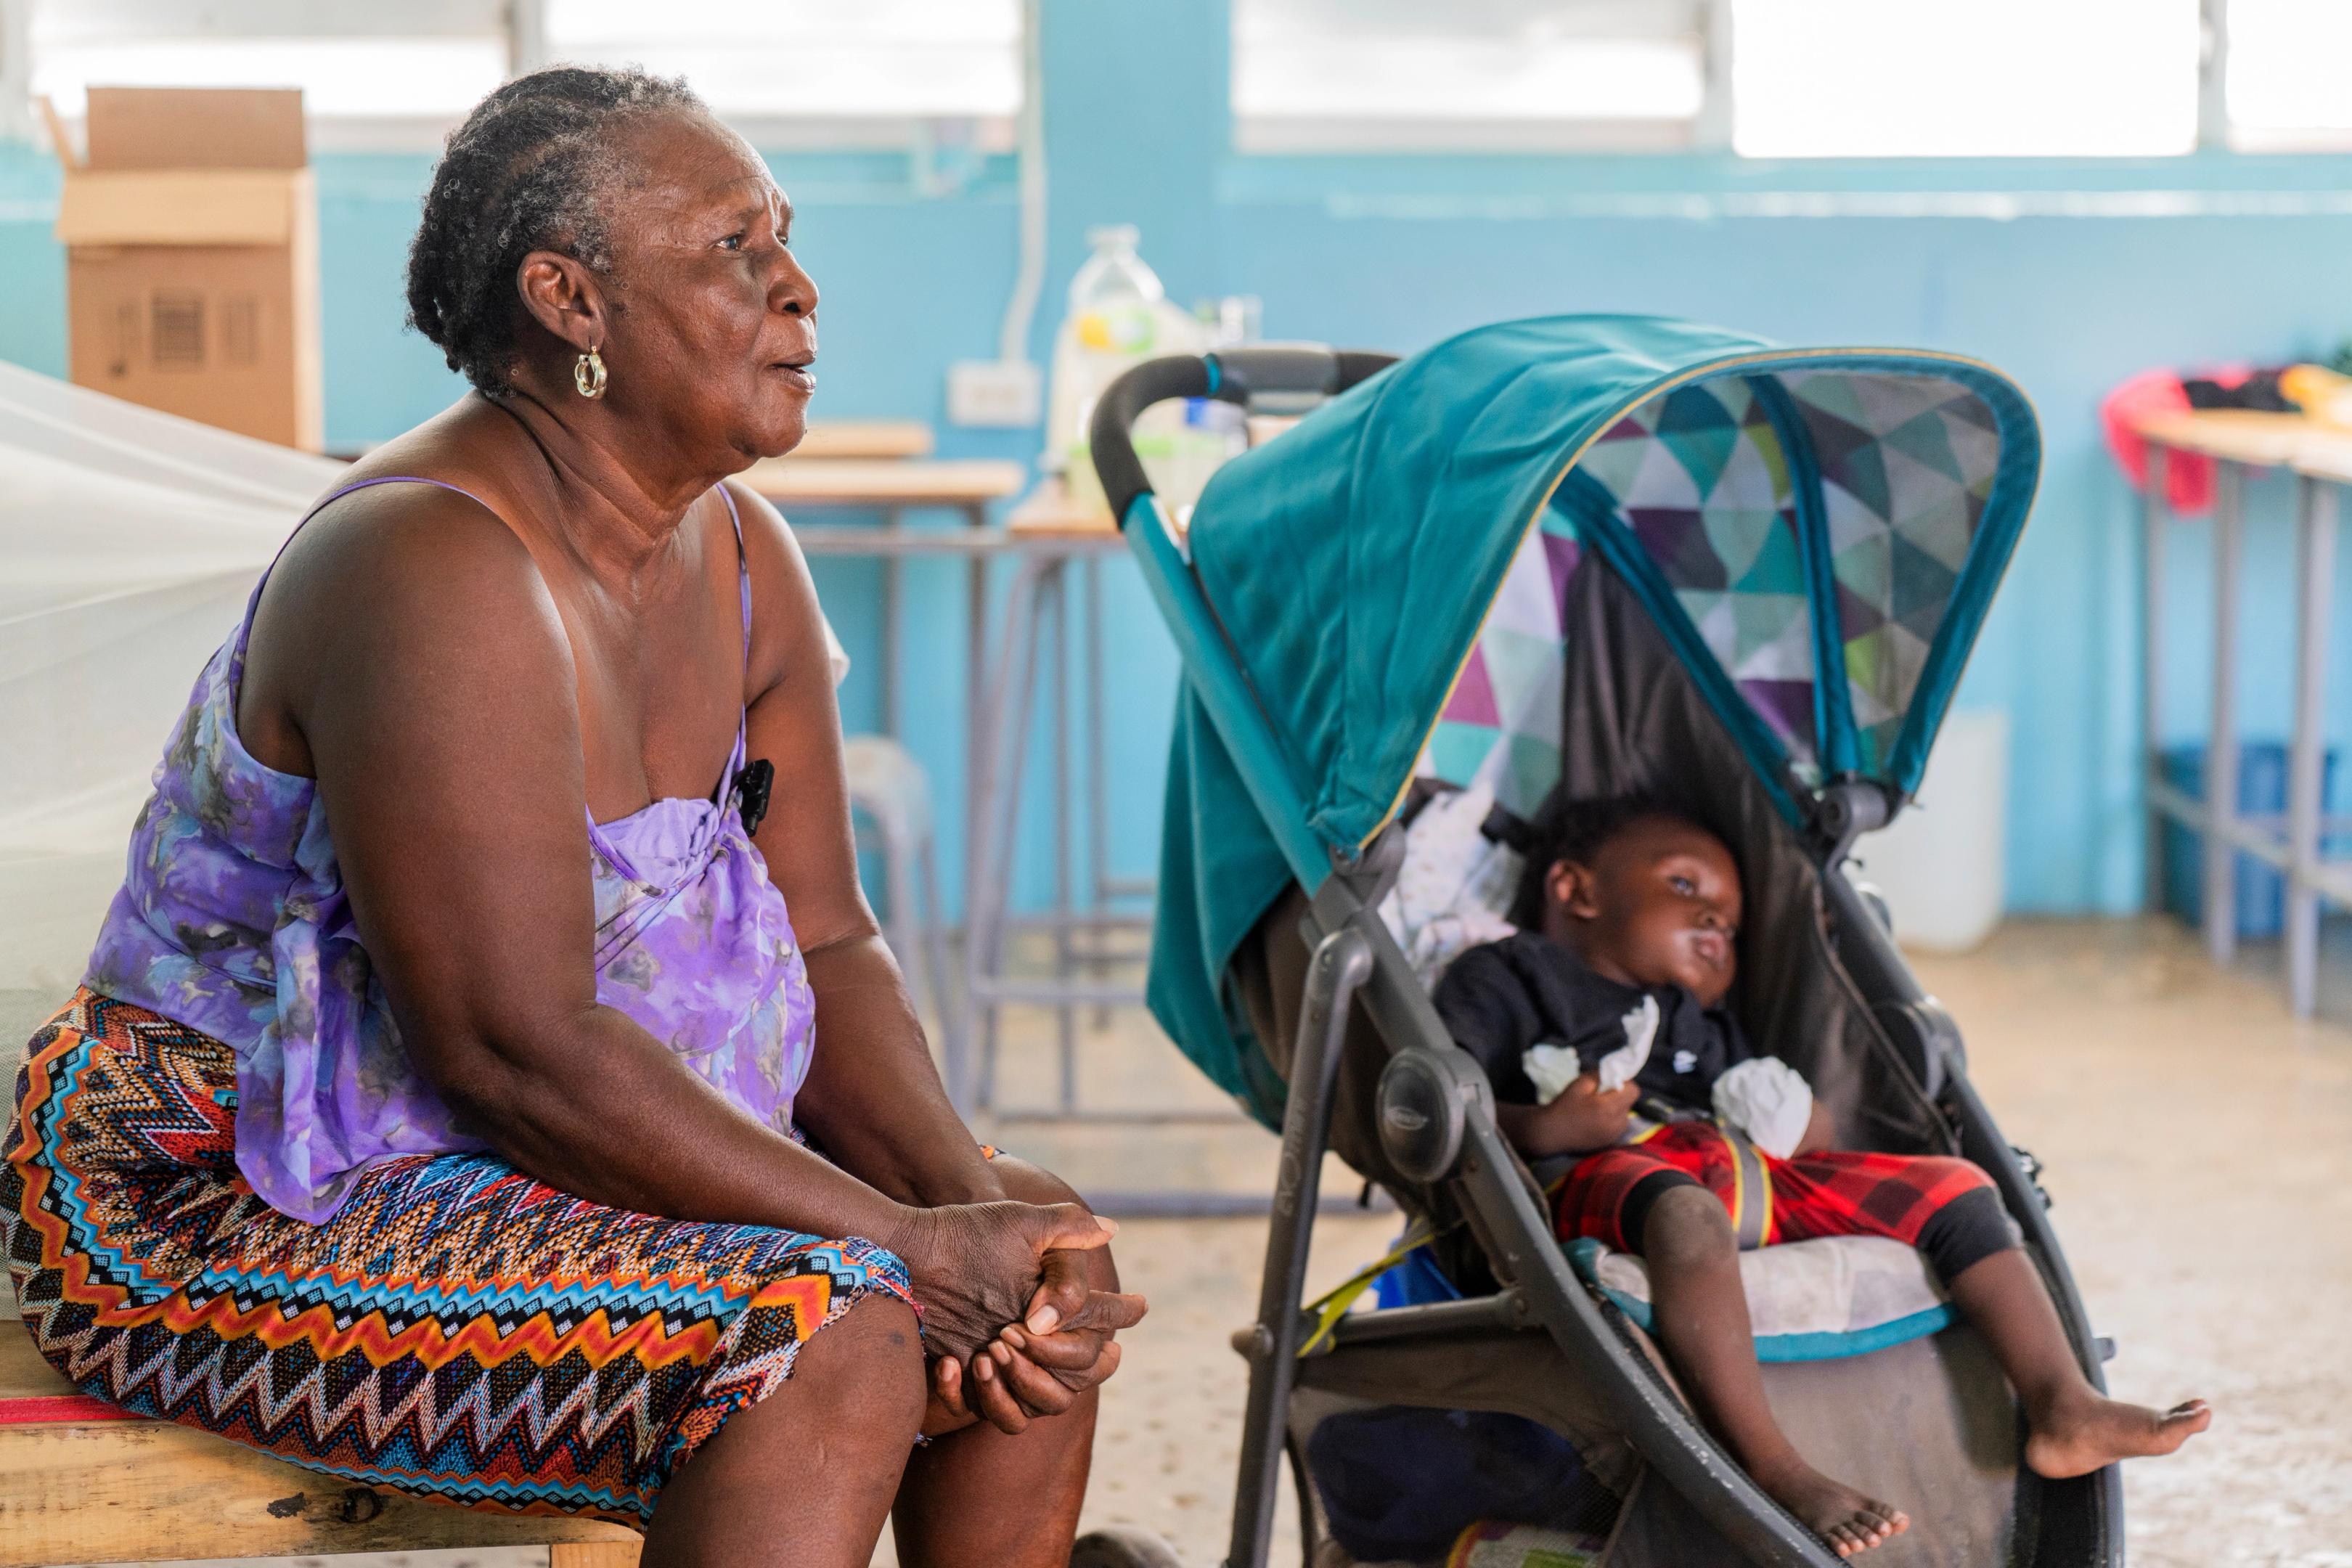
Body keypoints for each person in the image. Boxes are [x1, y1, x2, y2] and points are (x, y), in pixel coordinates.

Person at [0, 68, 1143, 1568]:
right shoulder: (427, 567)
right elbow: (512, 1046)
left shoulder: (743, 556)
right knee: (829, 1328)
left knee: (1045, 1247)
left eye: (783, 238)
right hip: (225, 1192)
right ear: (571, 302)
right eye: (736, 249)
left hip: (507, 1152)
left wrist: (966, 1203)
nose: (797, 288)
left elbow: (829, 937)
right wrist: (908, 1249)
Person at [1432, 793, 2209, 1559]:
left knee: (1956, 1185)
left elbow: (1792, 1132)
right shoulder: (1509, 973)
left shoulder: (1698, 1019)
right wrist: (1543, 1127)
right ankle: (1773, 1466)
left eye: (1731, 925)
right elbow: (1446, 1101)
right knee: (1687, 1213)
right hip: (1597, 1180)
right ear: (1576, 889)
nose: (1715, 922)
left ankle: (2063, 1405)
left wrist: (1802, 1124)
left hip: (1745, 1174)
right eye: (1684, 887)